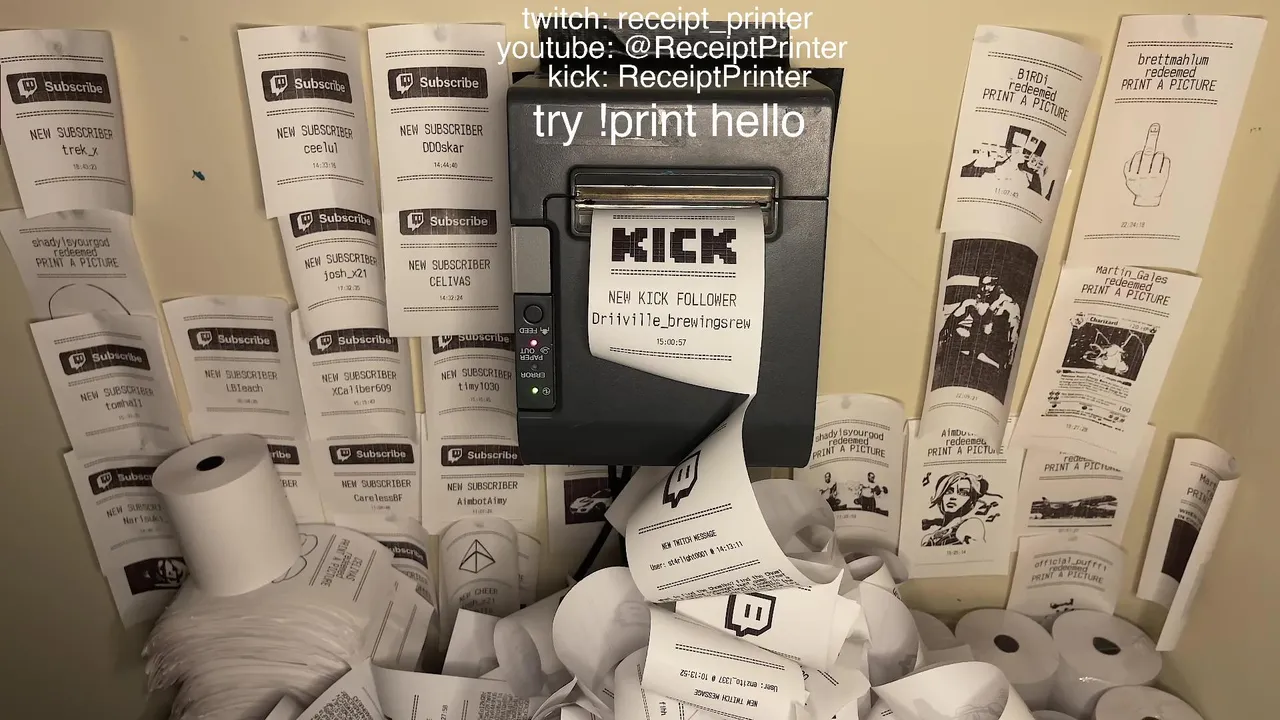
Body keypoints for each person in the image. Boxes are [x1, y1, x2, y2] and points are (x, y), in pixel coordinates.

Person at [920, 471, 1001, 546]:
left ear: (971, 501)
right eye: (948, 492)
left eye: (963, 493)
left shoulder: (971, 525)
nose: (953, 497)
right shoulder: (928, 537)